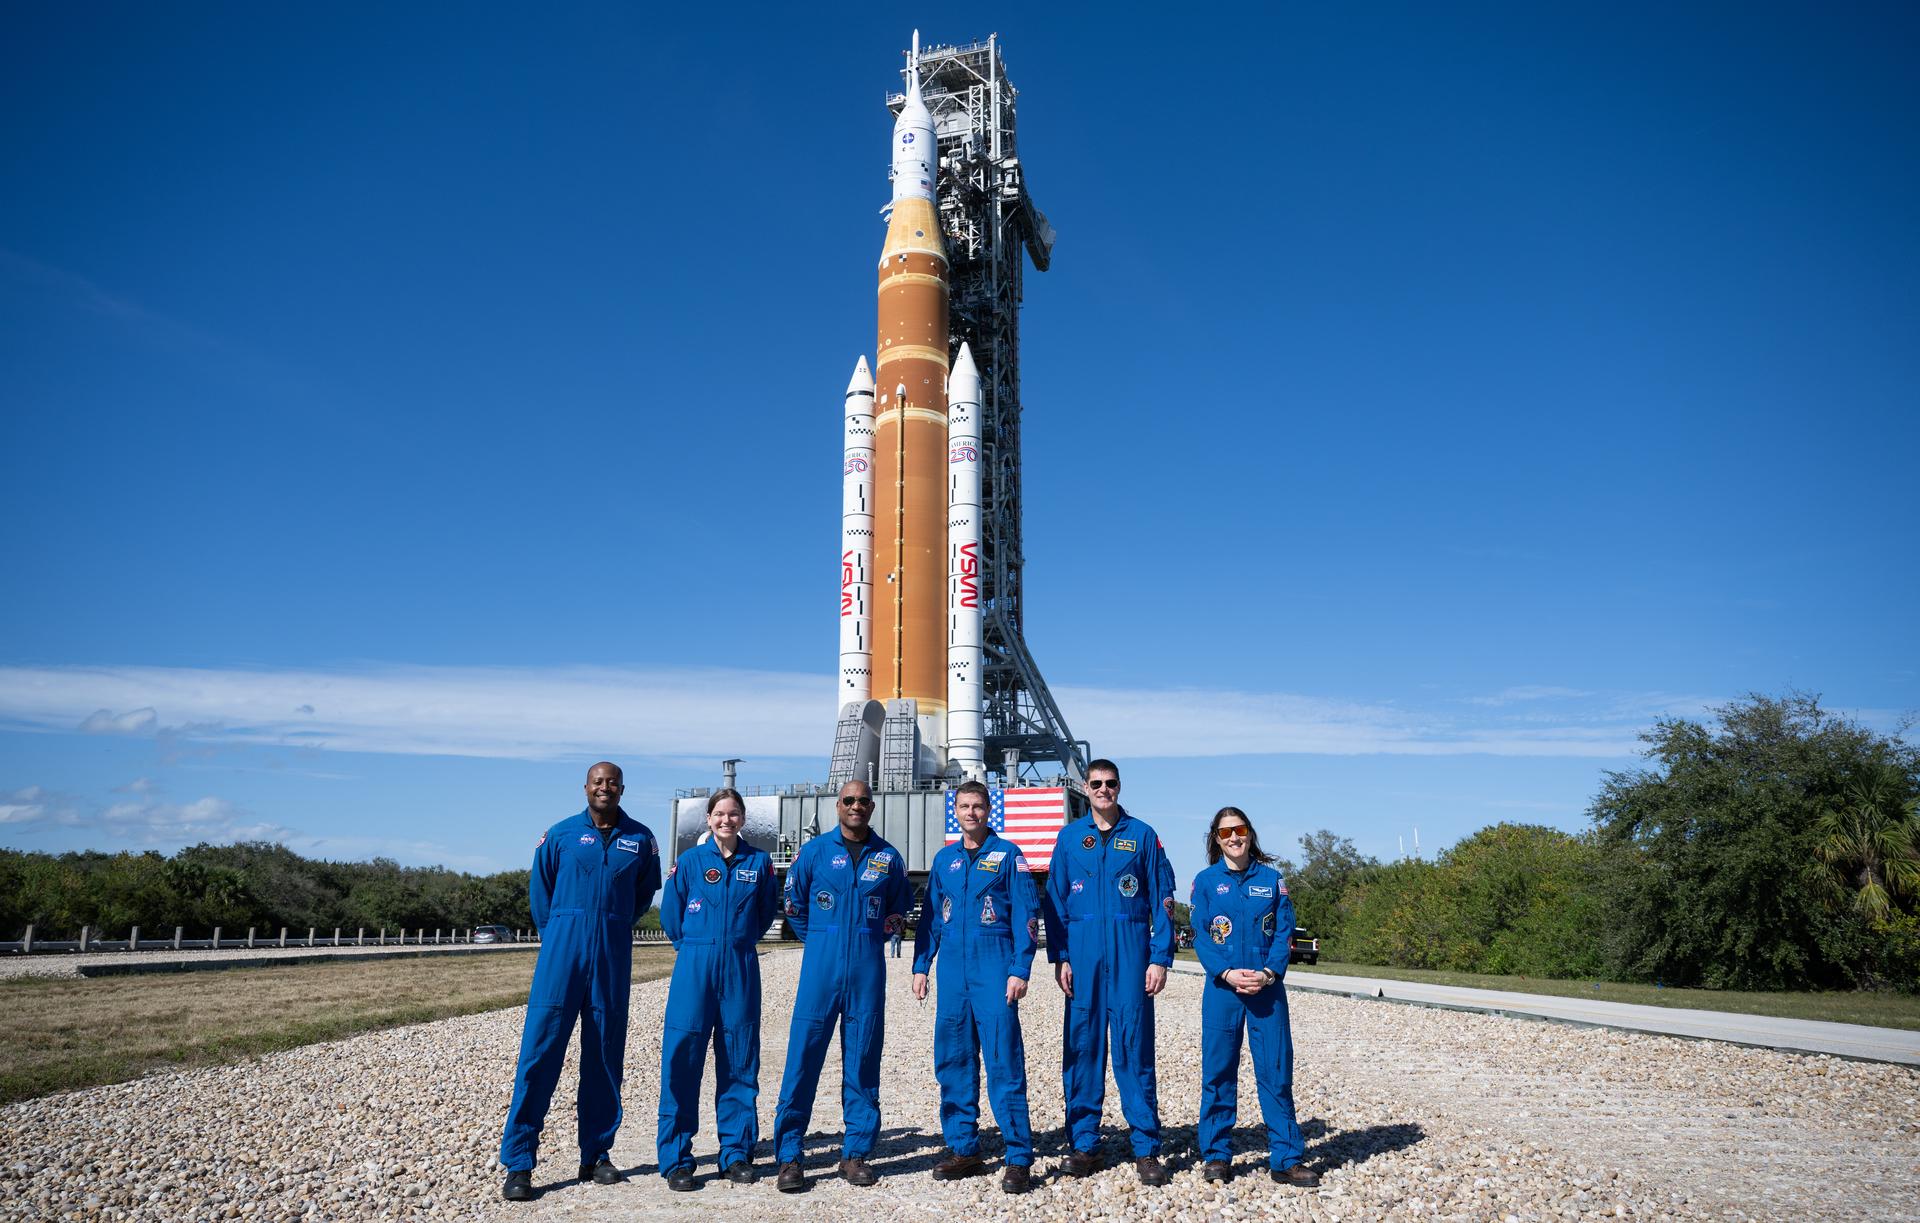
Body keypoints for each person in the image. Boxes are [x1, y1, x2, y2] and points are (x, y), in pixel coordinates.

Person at [500, 762, 662, 1202]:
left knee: (606, 1056)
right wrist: (560, 937)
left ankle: (596, 1153)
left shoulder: (642, 839)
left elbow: (643, 895)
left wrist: (611, 925)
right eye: (597, 781)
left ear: (622, 788)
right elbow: (541, 893)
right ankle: (519, 1162)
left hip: (611, 953)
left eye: (612, 782)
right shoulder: (560, 834)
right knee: (539, 1054)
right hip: (562, 954)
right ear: (586, 787)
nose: (604, 787)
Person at [770, 779, 912, 1192]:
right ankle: (790, 1156)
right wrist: (822, 941)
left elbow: (899, 908)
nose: (856, 806)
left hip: (867, 971)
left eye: (864, 801)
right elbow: (793, 904)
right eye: (849, 800)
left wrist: (870, 939)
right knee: (802, 1060)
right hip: (820, 971)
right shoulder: (814, 853)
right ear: (838, 805)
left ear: (872, 807)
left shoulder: (887, 857)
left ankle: (855, 1153)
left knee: (864, 1060)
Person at [1043, 759, 1177, 1185]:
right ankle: (1084, 1143)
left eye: (1110, 783)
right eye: (1096, 783)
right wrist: (1061, 956)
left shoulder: (1142, 836)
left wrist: (1159, 958)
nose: (1104, 789)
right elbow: (1055, 903)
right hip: (1082, 958)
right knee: (1082, 1048)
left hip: (1130, 955)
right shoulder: (1069, 839)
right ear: (1086, 787)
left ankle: (1146, 1147)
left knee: (1134, 1048)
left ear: (1120, 787)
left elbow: (1163, 901)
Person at [911, 781, 1039, 1194]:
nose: (971, 813)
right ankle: (964, 1147)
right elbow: (931, 918)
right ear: (957, 811)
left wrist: (1020, 968)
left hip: (994, 966)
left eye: (978, 806)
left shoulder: (1008, 856)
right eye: (964, 807)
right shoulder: (944, 859)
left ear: (989, 810)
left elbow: (1026, 915)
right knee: (953, 1060)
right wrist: (920, 966)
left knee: (1003, 1061)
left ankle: (1018, 1155)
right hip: (952, 972)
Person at [655, 789, 781, 1191]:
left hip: (740, 965)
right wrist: (695, 947)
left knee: (740, 1060)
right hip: (695, 965)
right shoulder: (689, 862)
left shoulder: (759, 863)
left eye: (734, 814)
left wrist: (736, 942)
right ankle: (676, 1158)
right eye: (719, 814)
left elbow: (764, 913)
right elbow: (671, 916)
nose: (726, 820)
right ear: (708, 818)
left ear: (743, 819)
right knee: (682, 1059)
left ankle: (737, 1153)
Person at [1188, 806, 1319, 1187]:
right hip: (1222, 990)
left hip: (1266, 990)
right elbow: (1200, 933)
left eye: (1240, 829)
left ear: (1250, 833)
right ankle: (1216, 1154)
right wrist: (1227, 973)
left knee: (1276, 1073)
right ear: (1216, 838)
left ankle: (1286, 1157)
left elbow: (1284, 933)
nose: (1234, 837)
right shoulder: (1206, 882)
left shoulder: (1272, 881)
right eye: (1226, 831)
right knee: (1218, 1073)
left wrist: (1267, 973)